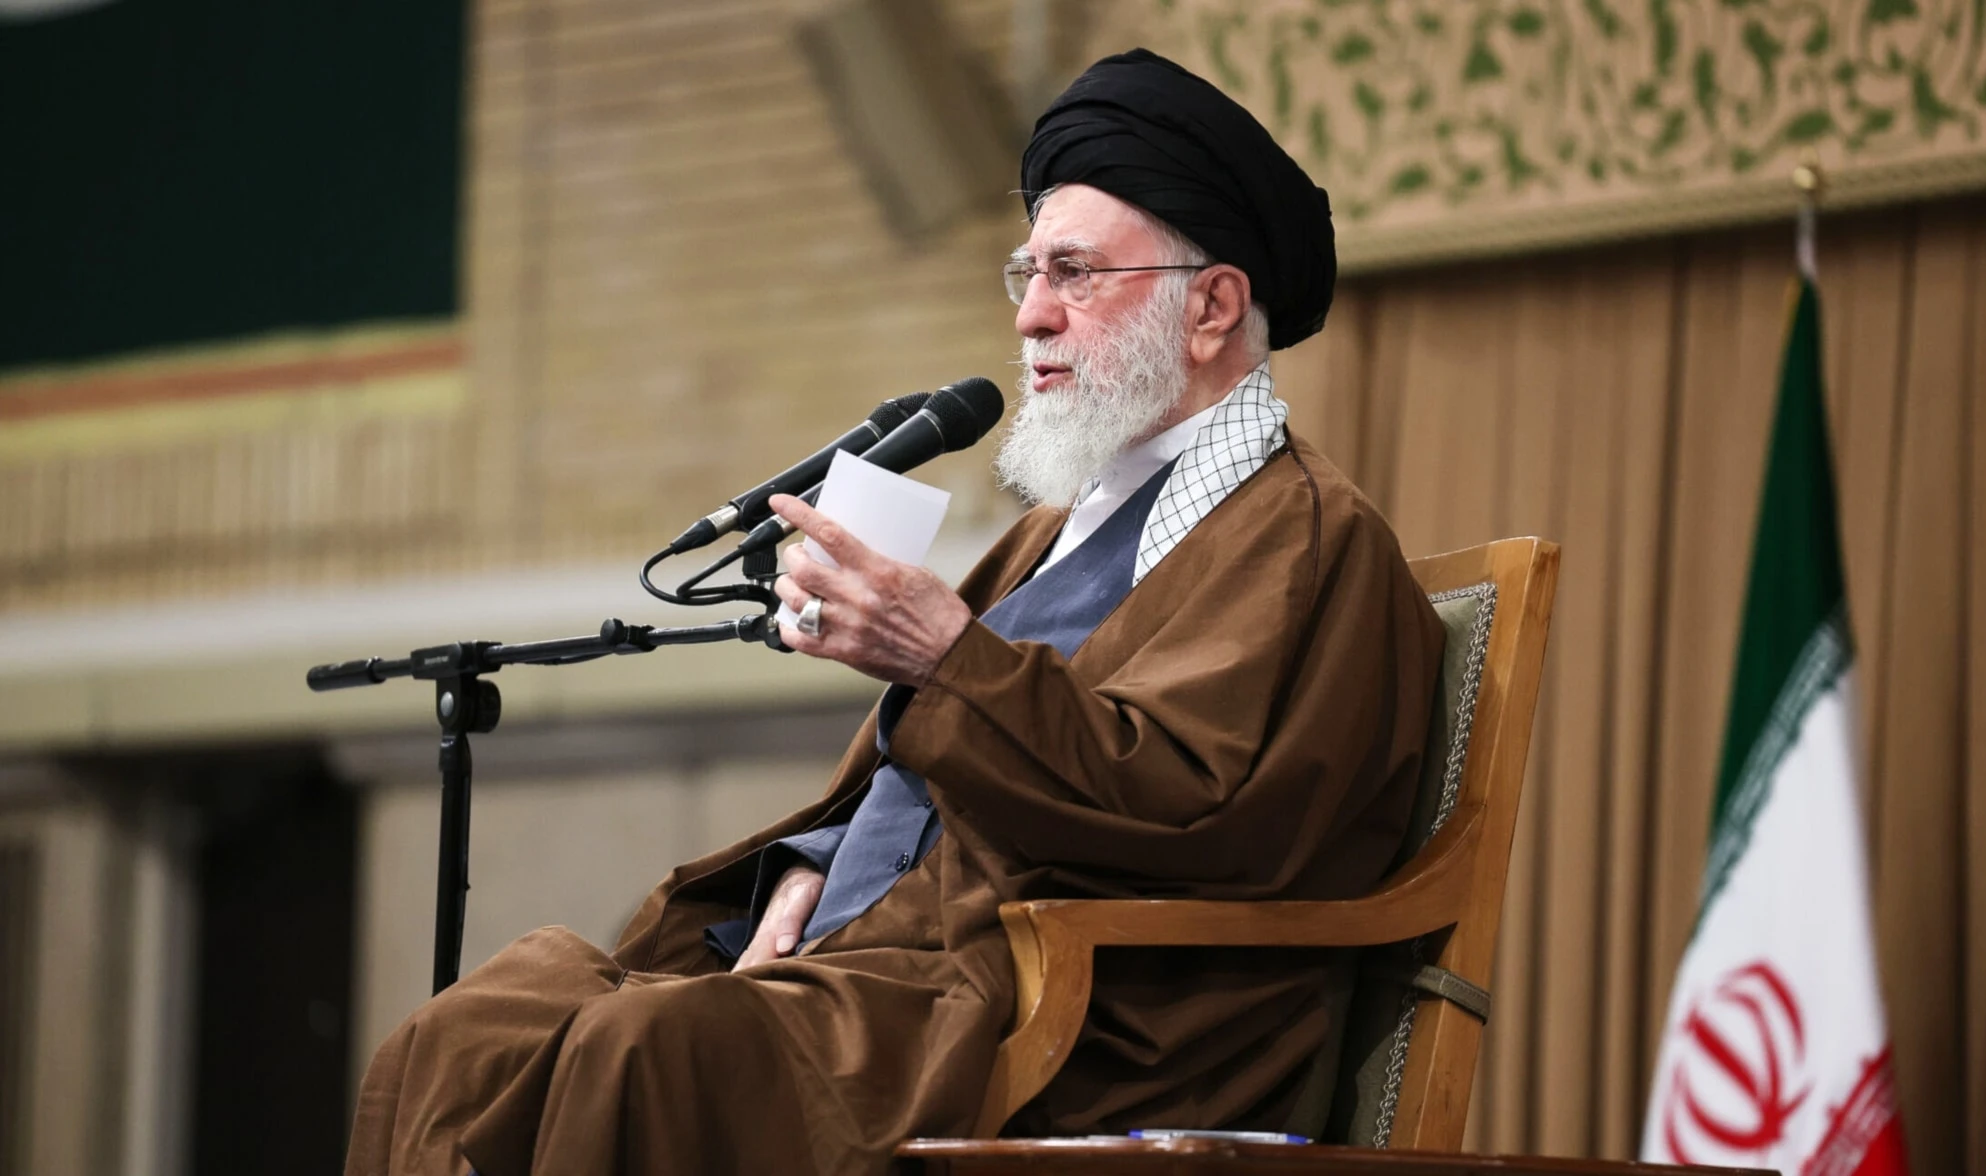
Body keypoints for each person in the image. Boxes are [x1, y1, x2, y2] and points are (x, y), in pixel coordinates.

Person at [344, 48, 1443, 1176]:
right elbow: (918, 777)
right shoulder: (1056, 528)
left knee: (647, 1047)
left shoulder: (1302, 535)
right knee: (473, 1030)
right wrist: (810, 868)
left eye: (1072, 274)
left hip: (1068, 1014)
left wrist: (944, 656)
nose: (1030, 319)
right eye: (1025, 275)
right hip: (891, 959)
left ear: (1210, 305)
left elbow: (1195, 812)